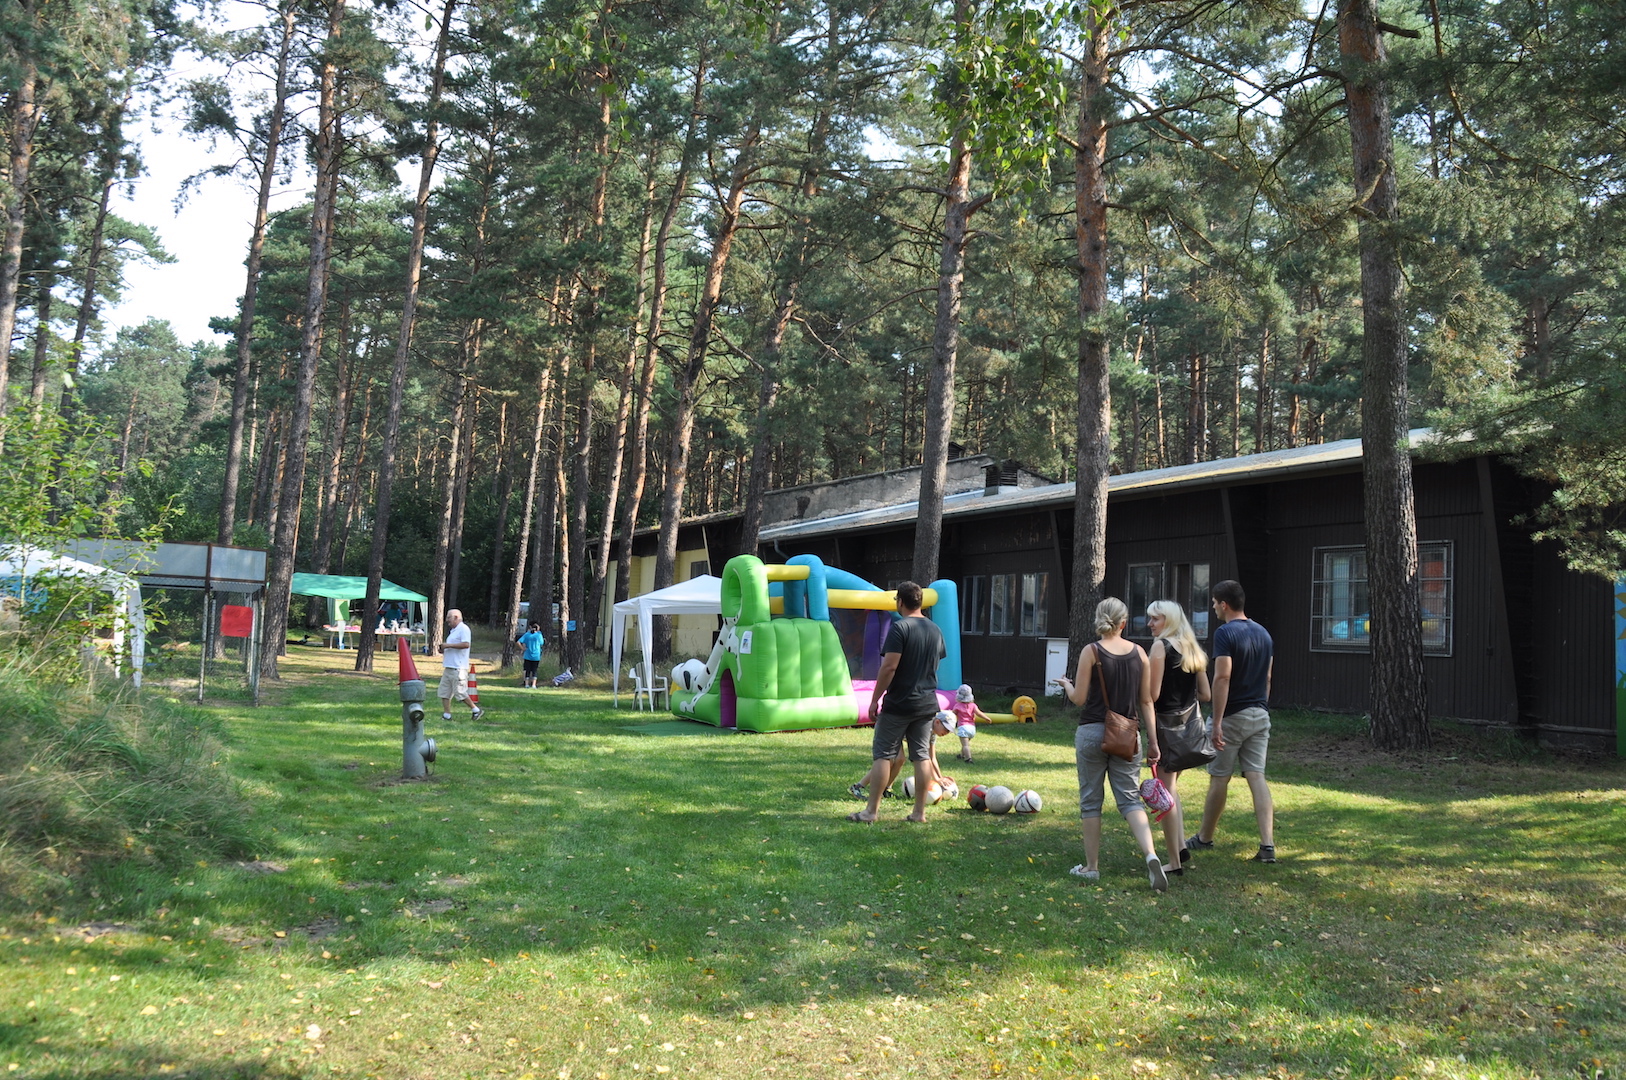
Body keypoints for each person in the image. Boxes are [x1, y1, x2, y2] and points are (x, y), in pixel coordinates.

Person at [1054, 597, 1167, 892]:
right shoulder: (1140, 653)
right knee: (1130, 800)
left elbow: (1079, 699)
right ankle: (1151, 854)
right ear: (1124, 623)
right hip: (1128, 735)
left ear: (1099, 619)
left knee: (1091, 801)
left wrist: (1066, 685)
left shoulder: (1091, 651)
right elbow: (1146, 701)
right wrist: (1153, 742)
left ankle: (1091, 867)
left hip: (1092, 732)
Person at [1185, 579, 1275, 863]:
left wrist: (1218, 722)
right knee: (1256, 776)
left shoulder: (1225, 633)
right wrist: (1261, 705)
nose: (1213, 607)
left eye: (1214, 603)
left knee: (1219, 778)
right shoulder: (1264, 633)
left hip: (1232, 716)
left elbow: (1222, 676)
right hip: (1260, 714)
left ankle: (1205, 837)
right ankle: (1268, 845)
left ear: (1224, 604)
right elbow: (1268, 677)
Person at [848, 581, 946, 824]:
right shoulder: (935, 629)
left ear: (900, 602)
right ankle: (919, 813)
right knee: (921, 756)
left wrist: (874, 699)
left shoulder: (900, 628)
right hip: (926, 703)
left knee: (883, 754)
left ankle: (871, 812)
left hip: (899, 703)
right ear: (920, 602)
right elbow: (935, 664)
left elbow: (889, 667)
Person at [1146, 599, 1212, 876]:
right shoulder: (1191, 647)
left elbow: (1152, 695)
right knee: (1171, 788)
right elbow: (1206, 694)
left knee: (1165, 794)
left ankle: (1174, 862)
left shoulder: (1160, 647)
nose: (1149, 623)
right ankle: (1181, 847)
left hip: (1166, 728)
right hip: (1189, 731)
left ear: (1169, 620)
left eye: (1155, 619)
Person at [439, 608, 482, 721]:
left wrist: (448, 645)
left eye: (449, 617)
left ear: (456, 617)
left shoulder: (463, 629)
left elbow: (466, 644)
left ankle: (476, 710)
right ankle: (447, 715)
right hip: (449, 666)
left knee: (460, 692)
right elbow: (453, 646)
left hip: (458, 668)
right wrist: (444, 648)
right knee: (444, 692)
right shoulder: (453, 631)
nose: (447, 620)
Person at [950, 684, 990, 762]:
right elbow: (979, 713)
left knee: (965, 745)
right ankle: (962, 755)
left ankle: (968, 758)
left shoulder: (957, 706)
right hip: (972, 728)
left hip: (963, 727)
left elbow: (952, 714)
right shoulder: (973, 705)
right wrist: (986, 718)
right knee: (965, 743)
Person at [516, 621, 546, 688]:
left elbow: (518, 642)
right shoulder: (539, 635)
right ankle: (533, 685)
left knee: (527, 670)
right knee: (534, 670)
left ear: (530, 627)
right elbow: (542, 643)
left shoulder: (527, 635)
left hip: (527, 655)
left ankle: (526, 684)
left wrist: (523, 648)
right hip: (536, 655)